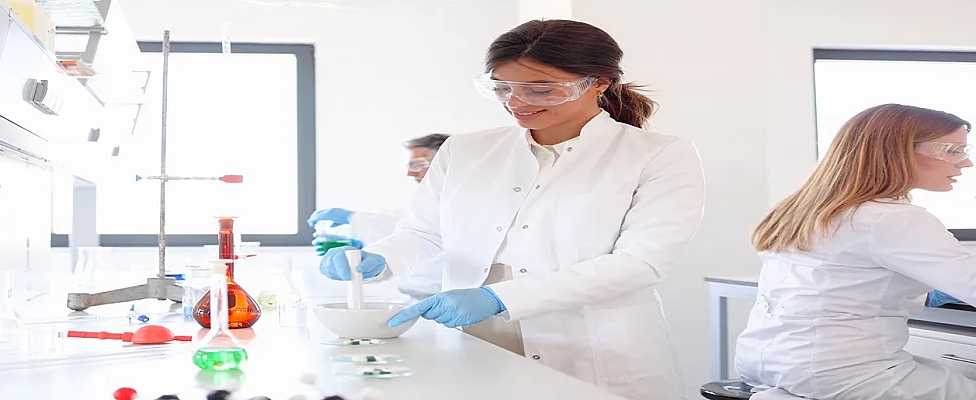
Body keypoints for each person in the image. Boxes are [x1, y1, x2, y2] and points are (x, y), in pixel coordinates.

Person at [317, 19, 706, 400]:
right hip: (476, 345)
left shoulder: (659, 155)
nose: (516, 103)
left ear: (599, 83)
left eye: (541, 90)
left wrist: (501, 298)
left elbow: (640, 263)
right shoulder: (465, 150)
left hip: (595, 356)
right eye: (503, 88)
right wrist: (380, 258)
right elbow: (423, 232)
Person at [735, 104, 976, 400]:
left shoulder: (805, 209)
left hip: (765, 362)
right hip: (838, 373)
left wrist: (930, 295)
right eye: (953, 151)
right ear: (900, 151)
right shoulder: (894, 218)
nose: (966, 163)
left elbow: (841, 283)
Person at [307, 133, 451, 300]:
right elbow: (417, 233)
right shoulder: (425, 202)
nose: (410, 173)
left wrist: (354, 218)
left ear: (448, 164)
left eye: (418, 164)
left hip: (450, 299)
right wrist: (369, 251)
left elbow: (429, 237)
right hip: (419, 297)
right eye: (409, 165)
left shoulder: (465, 202)